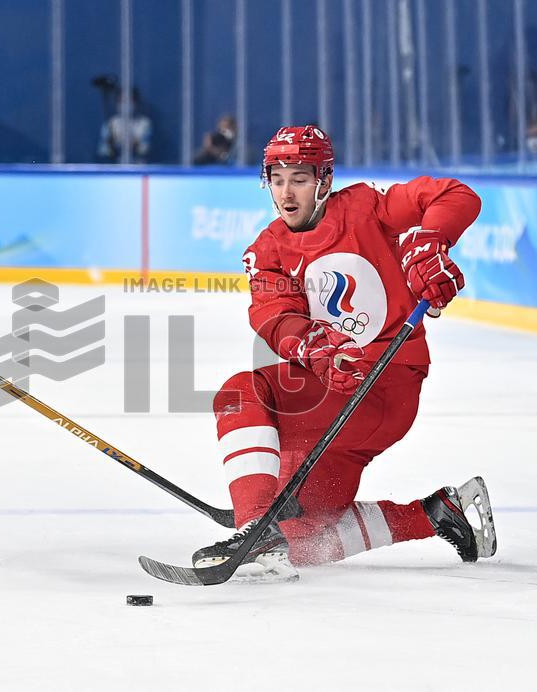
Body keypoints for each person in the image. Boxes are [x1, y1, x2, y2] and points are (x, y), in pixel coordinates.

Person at [189, 125, 496, 582]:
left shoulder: (367, 207)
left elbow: (456, 195)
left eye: (300, 178)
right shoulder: (268, 248)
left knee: (239, 393)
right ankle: (434, 514)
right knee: (305, 538)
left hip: (385, 385)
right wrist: (309, 346)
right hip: (328, 393)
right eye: (277, 178)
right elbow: (274, 314)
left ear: (324, 181)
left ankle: (255, 524)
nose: (286, 191)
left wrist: (431, 240)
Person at [97, 86, 152, 163]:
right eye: (122, 101)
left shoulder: (144, 123)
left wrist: (135, 145)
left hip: (138, 167)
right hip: (115, 167)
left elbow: (145, 149)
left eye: (129, 101)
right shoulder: (110, 123)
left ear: (135, 102)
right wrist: (111, 147)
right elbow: (102, 150)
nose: (125, 104)